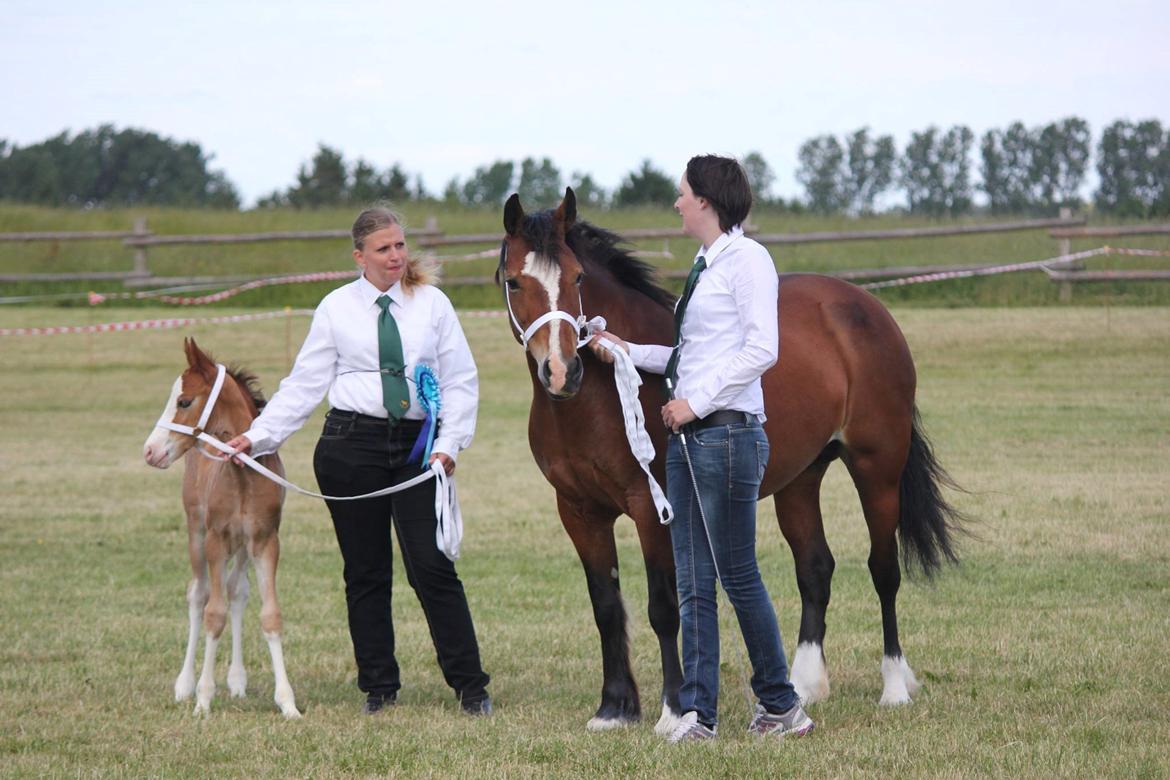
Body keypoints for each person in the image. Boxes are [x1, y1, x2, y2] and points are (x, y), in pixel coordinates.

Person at [225, 205, 491, 716]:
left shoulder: (433, 305)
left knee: (432, 567)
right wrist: (257, 437)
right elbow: (304, 385)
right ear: (359, 257)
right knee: (365, 571)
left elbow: (460, 380)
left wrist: (449, 444)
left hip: (419, 448)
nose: (396, 256)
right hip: (350, 447)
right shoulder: (334, 308)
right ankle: (379, 687)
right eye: (383, 249)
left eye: (400, 245)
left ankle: (471, 686)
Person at [589, 155, 813, 741]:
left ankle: (782, 706)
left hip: (729, 435)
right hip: (689, 440)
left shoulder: (747, 262)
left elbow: (762, 349)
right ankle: (700, 713)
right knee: (692, 580)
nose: (677, 202)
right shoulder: (705, 264)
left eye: (683, 193)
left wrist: (696, 402)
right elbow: (693, 358)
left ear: (707, 201)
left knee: (737, 575)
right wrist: (625, 350)